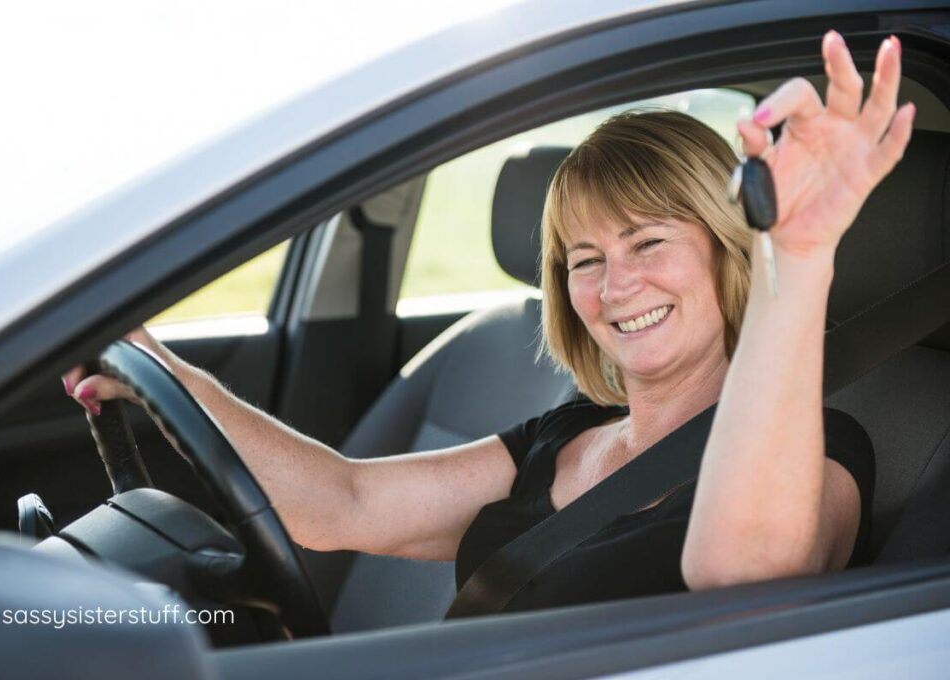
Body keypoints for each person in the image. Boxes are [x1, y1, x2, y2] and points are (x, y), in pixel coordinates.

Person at [62, 31, 913, 613]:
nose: (616, 285)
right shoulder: (562, 434)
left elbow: (743, 576)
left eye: (648, 241)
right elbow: (342, 501)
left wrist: (797, 257)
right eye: (584, 259)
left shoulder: (823, 450)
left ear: (732, 252)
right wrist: (161, 368)